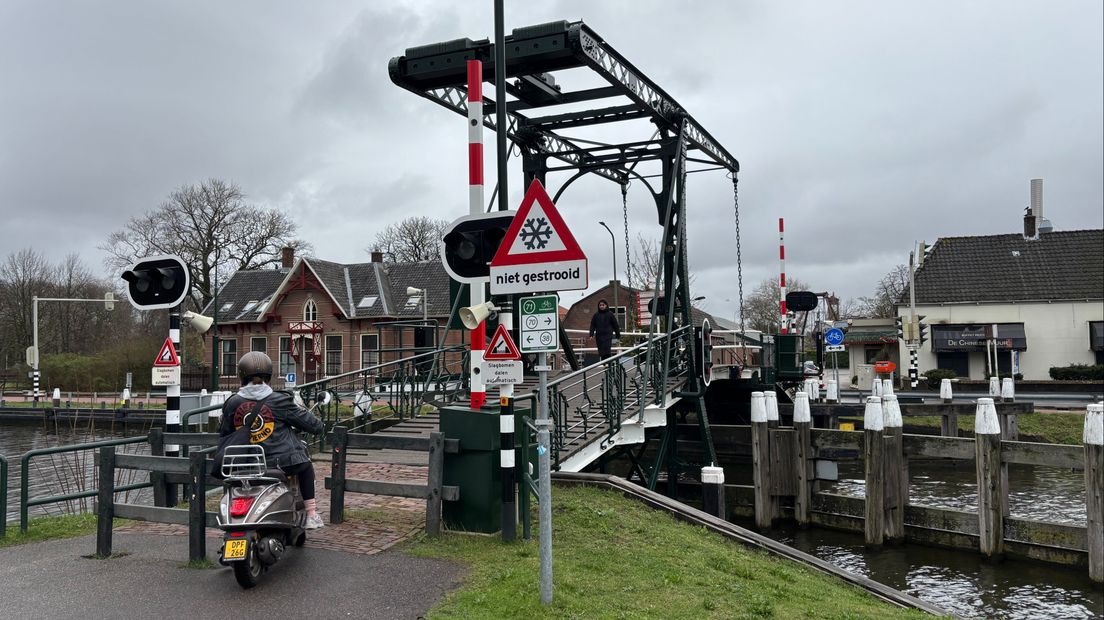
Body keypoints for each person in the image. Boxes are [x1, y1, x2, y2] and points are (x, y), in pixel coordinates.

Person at [219, 351, 325, 529]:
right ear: (269, 376)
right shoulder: (279, 400)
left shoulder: (232, 402)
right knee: (306, 466)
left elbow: (224, 432)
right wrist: (318, 425)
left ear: (242, 376)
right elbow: (312, 425)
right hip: (280, 463)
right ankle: (311, 514)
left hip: (243, 464)